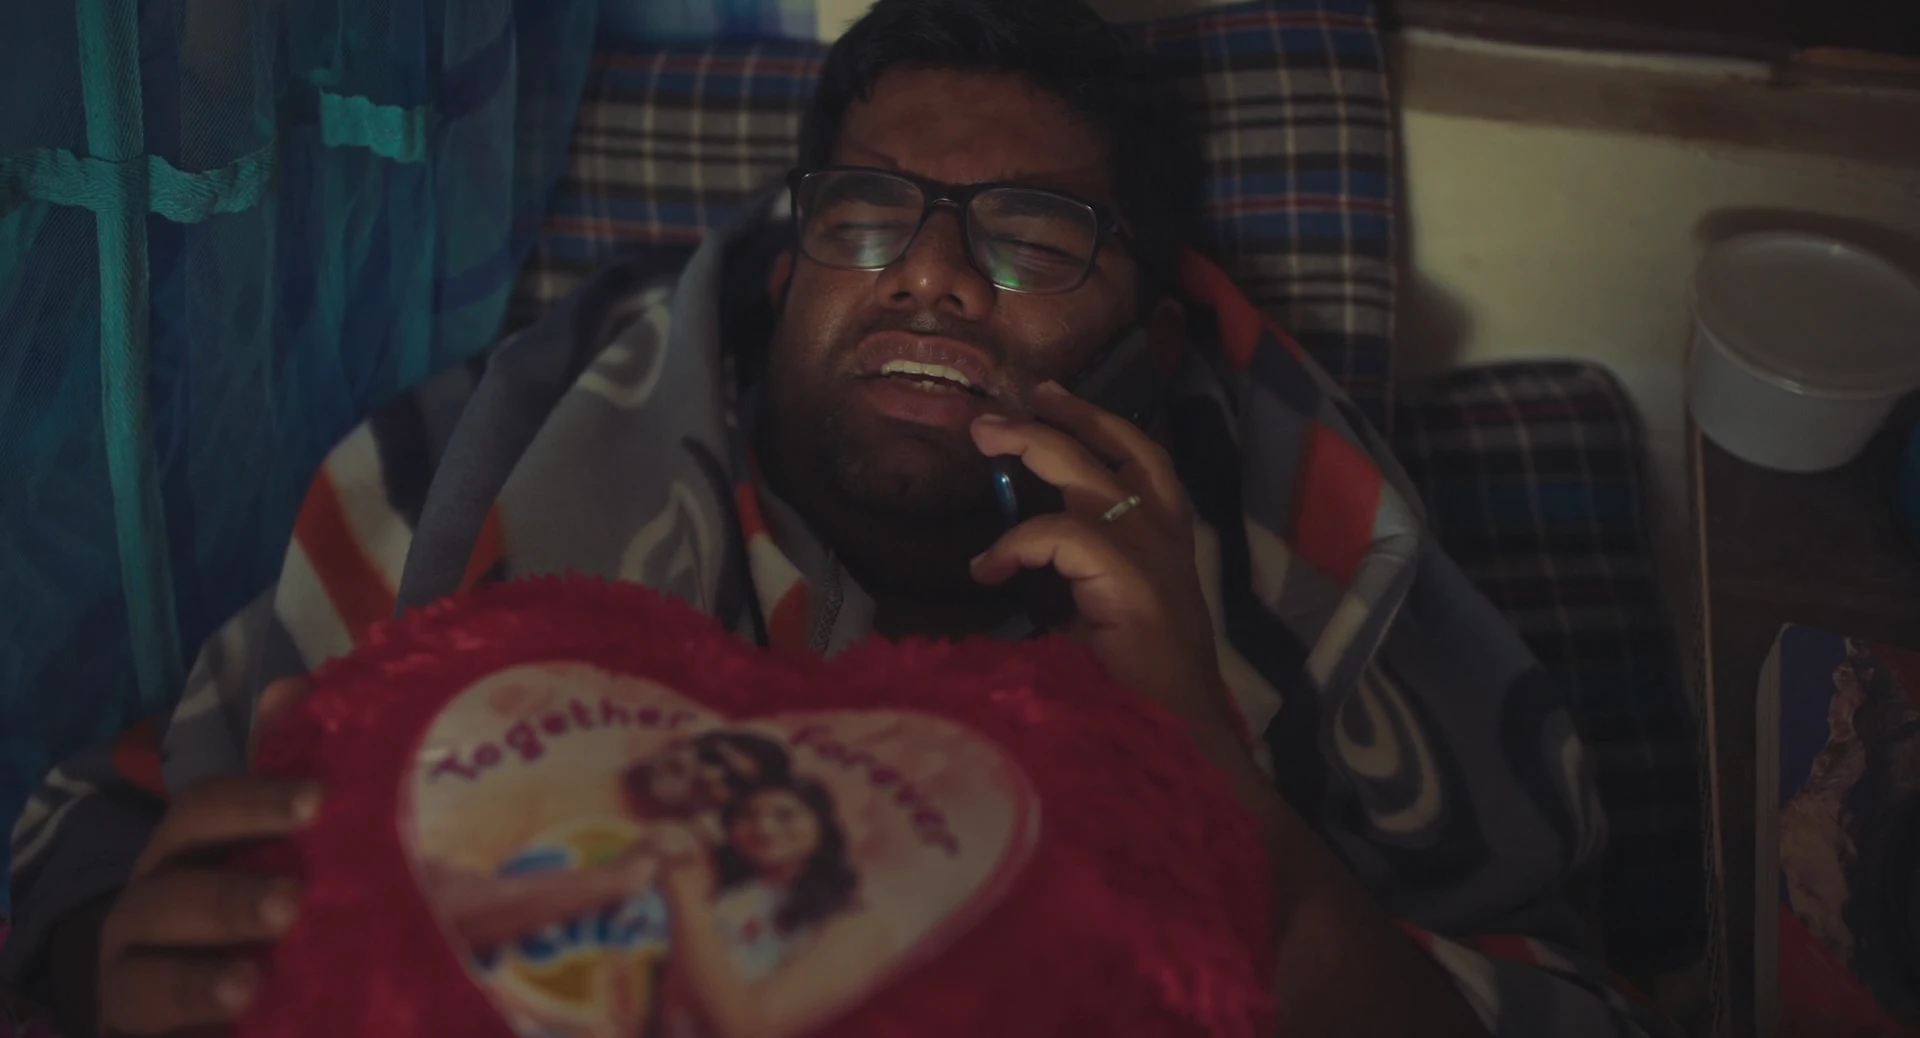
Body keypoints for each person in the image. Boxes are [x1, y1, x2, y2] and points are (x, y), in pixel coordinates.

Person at [3, 1, 1669, 1035]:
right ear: (790, 267)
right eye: (870, 214)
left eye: (1029, 236)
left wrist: (1214, 786)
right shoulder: (492, 459)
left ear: (1151, 345)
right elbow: (98, 830)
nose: (931, 274)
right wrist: (102, 958)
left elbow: (1552, 998)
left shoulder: (1292, 561)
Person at [425, 730, 795, 955]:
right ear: (676, 744)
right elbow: (439, 909)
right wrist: (614, 879)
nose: (708, 775)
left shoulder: (700, 867)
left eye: (732, 782)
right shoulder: (546, 788)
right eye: (710, 757)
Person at [652, 777, 889, 1038]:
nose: (764, 827)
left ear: (822, 827)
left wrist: (689, 901)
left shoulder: (856, 924)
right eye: (749, 816)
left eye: (785, 815)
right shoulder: (725, 897)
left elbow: (747, 1029)